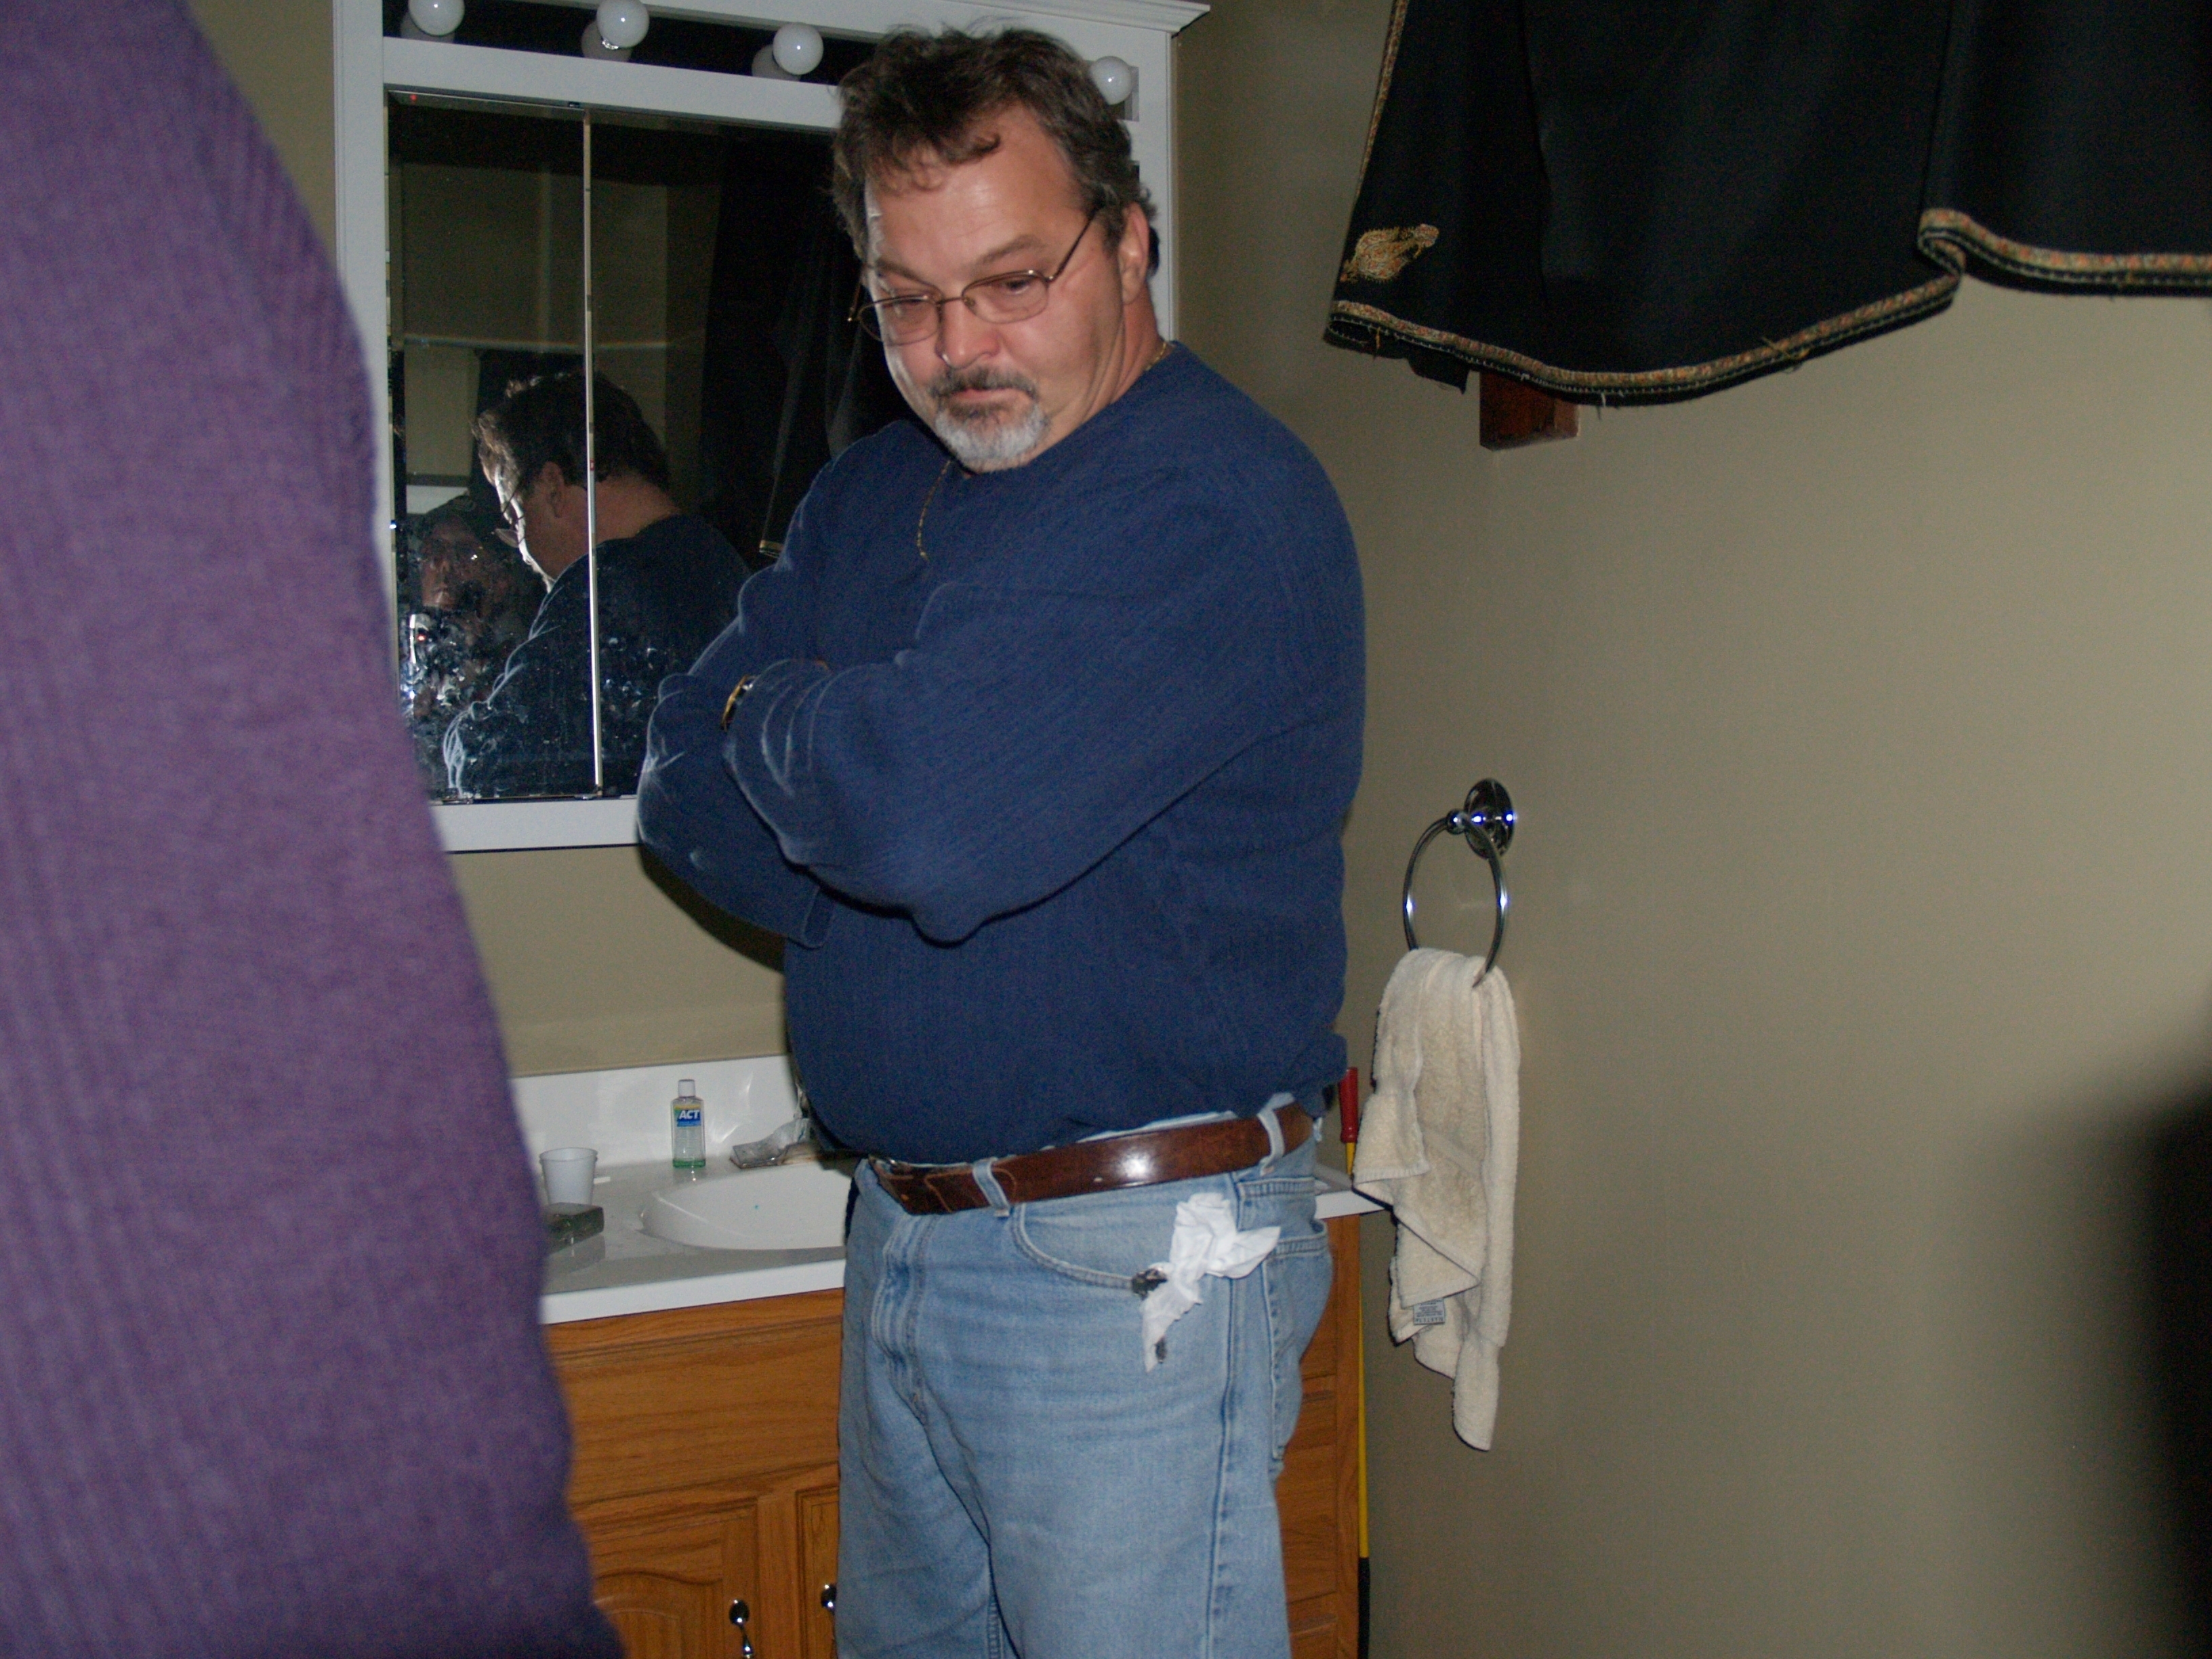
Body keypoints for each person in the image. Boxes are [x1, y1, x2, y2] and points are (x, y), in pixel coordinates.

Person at [637, 26, 1363, 1659]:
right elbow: (679, 792)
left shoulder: (1208, 501)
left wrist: (808, 743)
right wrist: (869, 792)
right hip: (902, 1236)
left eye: (1012, 281)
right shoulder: (863, 495)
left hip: (1125, 1272)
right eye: (906, 298)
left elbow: (926, 823)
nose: (957, 347)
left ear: (1130, 244)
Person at [445, 371, 743, 799]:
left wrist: (457, 732)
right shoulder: (724, 562)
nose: (524, 554)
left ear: (552, 486)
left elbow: (493, 763)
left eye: (515, 518)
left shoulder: (606, 587)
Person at [402, 496, 536, 788]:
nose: (446, 567)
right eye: (434, 552)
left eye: (465, 555)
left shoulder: (521, 659)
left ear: (501, 577)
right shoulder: (402, 653)